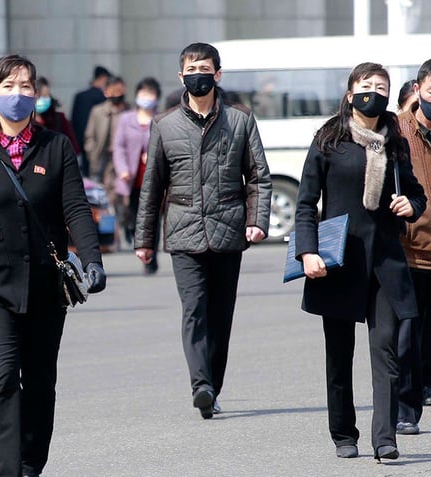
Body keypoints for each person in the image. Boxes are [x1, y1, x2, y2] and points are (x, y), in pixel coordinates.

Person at [0, 54, 106, 477]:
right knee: (3, 376)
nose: (18, 95)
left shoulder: (56, 146)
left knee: (40, 380)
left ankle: (31, 463)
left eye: (26, 86)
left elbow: (76, 208)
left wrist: (92, 259)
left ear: (37, 94)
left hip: (47, 284)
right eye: (8, 87)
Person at [295, 62, 426, 461]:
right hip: (338, 259)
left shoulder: (396, 141)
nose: (375, 91)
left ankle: (385, 438)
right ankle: (343, 433)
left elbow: (417, 193)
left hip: (385, 260)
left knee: (386, 349)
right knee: (339, 353)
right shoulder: (329, 139)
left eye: (381, 86)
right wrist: (308, 251)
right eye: (366, 85)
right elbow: (305, 204)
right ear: (350, 94)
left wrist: (411, 205)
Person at [134, 42, 272, 420]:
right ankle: (200, 385)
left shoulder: (240, 120)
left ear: (218, 74)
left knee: (221, 316)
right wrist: (144, 241)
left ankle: (213, 386)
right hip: (184, 232)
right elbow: (152, 187)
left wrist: (257, 222)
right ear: (181, 76)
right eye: (191, 68)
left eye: (205, 68)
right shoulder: (164, 125)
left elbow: (259, 176)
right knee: (194, 310)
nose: (199, 74)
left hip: (228, 231)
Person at [396, 60, 431, 435]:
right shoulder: (398, 131)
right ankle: (406, 409)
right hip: (409, 249)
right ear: (419, 89)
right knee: (406, 333)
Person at [113, 77, 161, 269]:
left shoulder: (161, 119)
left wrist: (154, 156)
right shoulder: (126, 119)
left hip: (154, 179)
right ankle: (140, 247)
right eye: (143, 95)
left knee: (153, 218)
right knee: (134, 218)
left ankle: (152, 255)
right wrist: (122, 169)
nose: (146, 99)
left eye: (150, 95)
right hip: (132, 179)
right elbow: (118, 147)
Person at [84, 75, 130, 196]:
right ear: (106, 92)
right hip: (101, 159)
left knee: (120, 197)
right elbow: (89, 136)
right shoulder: (97, 111)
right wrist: (92, 154)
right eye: (113, 91)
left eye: (120, 91)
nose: (117, 94)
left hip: (122, 161)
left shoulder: (129, 112)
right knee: (98, 196)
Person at [71, 65, 110, 175]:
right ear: (103, 78)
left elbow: (74, 123)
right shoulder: (103, 98)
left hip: (82, 146)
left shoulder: (80, 96)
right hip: (101, 147)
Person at [32, 77, 79, 154]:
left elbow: (72, 145)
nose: (44, 99)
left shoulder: (58, 118)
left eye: (46, 96)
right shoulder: (26, 121)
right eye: (41, 96)